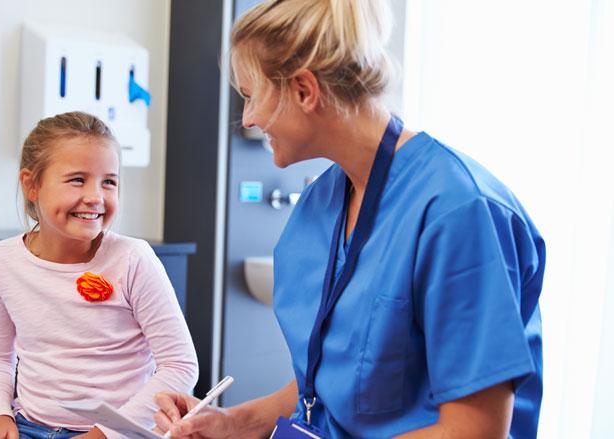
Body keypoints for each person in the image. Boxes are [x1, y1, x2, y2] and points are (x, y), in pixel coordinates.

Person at [154, 0, 544, 438]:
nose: (248, 118)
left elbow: (474, 430)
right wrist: (231, 423)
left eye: (251, 95)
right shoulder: (320, 203)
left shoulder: (460, 212)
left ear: (304, 90)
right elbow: (322, 387)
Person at [0, 111, 199, 439]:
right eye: (77, 179)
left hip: (118, 433)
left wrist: (107, 433)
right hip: (28, 426)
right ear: (31, 184)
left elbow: (180, 366)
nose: (95, 196)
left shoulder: (133, 259)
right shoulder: (1, 260)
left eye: (109, 181)